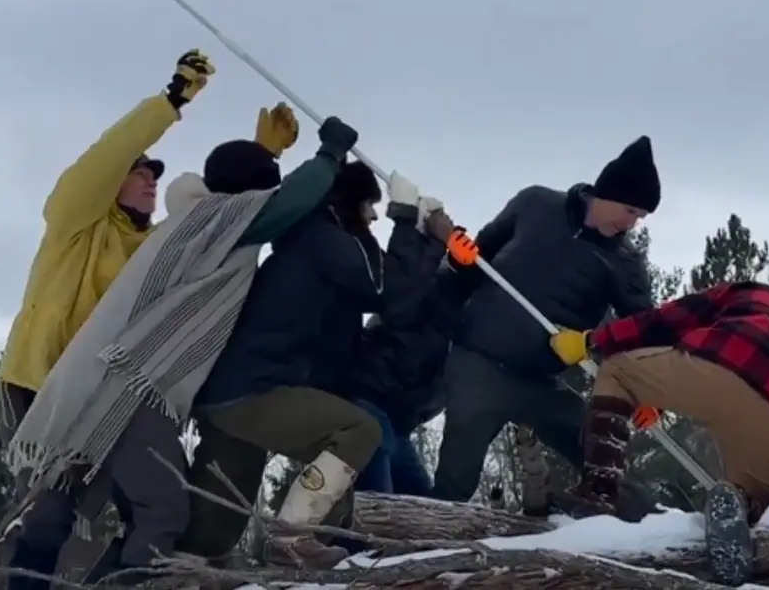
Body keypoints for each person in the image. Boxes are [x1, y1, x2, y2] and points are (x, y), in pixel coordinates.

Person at [4, 111, 360, 587]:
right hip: (131, 385)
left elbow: (251, 196)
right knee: (162, 509)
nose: (151, 182)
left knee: (62, 512)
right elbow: (279, 208)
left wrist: (265, 156)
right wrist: (330, 155)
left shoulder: (191, 224)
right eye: (139, 173)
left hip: (104, 384)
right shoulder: (210, 222)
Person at [0, 49, 217, 590]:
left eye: (154, 176)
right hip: (41, 385)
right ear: (112, 181)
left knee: (156, 504)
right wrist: (171, 100)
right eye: (139, 172)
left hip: (109, 394)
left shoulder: (151, 249)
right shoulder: (75, 222)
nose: (150, 181)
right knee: (48, 516)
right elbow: (106, 152)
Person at [177, 159, 445, 564]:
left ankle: (161, 571)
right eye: (369, 205)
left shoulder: (319, 245)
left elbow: (400, 300)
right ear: (349, 201)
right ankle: (292, 539)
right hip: (252, 392)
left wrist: (425, 242)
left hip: (238, 394)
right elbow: (387, 290)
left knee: (212, 534)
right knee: (358, 430)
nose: (374, 215)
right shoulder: (322, 240)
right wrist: (405, 220)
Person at [548, 280, 769, 586]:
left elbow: (666, 320)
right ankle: (754, 513)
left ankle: (599, 492)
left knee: (617, 372)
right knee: (767, 501)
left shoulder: (750, 292)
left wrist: (592, 341)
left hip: (721, 364)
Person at [431, 136, 659, 503]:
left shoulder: (625, 264)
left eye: (641, 217)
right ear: (609, 193)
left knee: (604, 461)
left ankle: (657, 531)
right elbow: (477, 263)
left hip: (541, 382)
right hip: (479, 364)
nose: (632, 224)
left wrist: (649, 391)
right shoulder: (534, 204)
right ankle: (426, 542)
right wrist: (458, 259)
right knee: (454, 483)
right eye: (631, 211)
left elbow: (641, 334)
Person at [349, 201, 459, 496]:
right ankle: (353, 543)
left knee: (422, 505)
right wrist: (436, 241)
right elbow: (401, 297)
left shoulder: (465, 323)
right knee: (376, 504)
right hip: (370, 404)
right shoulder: (429, 288)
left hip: (398, 422)